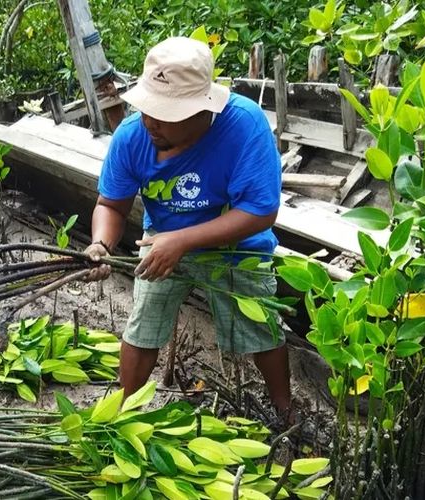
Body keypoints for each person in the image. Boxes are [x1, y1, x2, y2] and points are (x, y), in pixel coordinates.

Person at [85, 36, 292, 423]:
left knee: (262, 330)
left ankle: (286, 412)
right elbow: (110, 204)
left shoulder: (244, 126)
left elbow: (261, 212)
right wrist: (101, 243)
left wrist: (183, 240)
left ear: (203, 111)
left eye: (165, 115)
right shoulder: (133, 136)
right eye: (148, 109)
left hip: (237, 246)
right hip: (161, 240)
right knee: (143, 325)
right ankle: (124, 415)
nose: (151, 122)